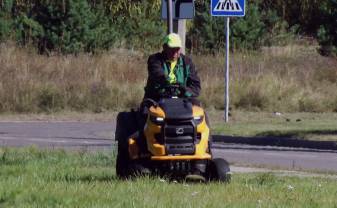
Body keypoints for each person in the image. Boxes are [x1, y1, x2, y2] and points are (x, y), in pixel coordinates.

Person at [143, 33, 201, 102]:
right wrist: (169, 83)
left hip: (182, 99)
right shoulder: (155, 59)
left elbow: (196, 86)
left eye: (177, 49)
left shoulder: (187, 62)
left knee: (198, 110)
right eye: (172, 49)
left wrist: (184, 91)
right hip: (157, 99)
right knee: (146, 110)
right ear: (164, 47)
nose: (175, 52)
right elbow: (157, 74)